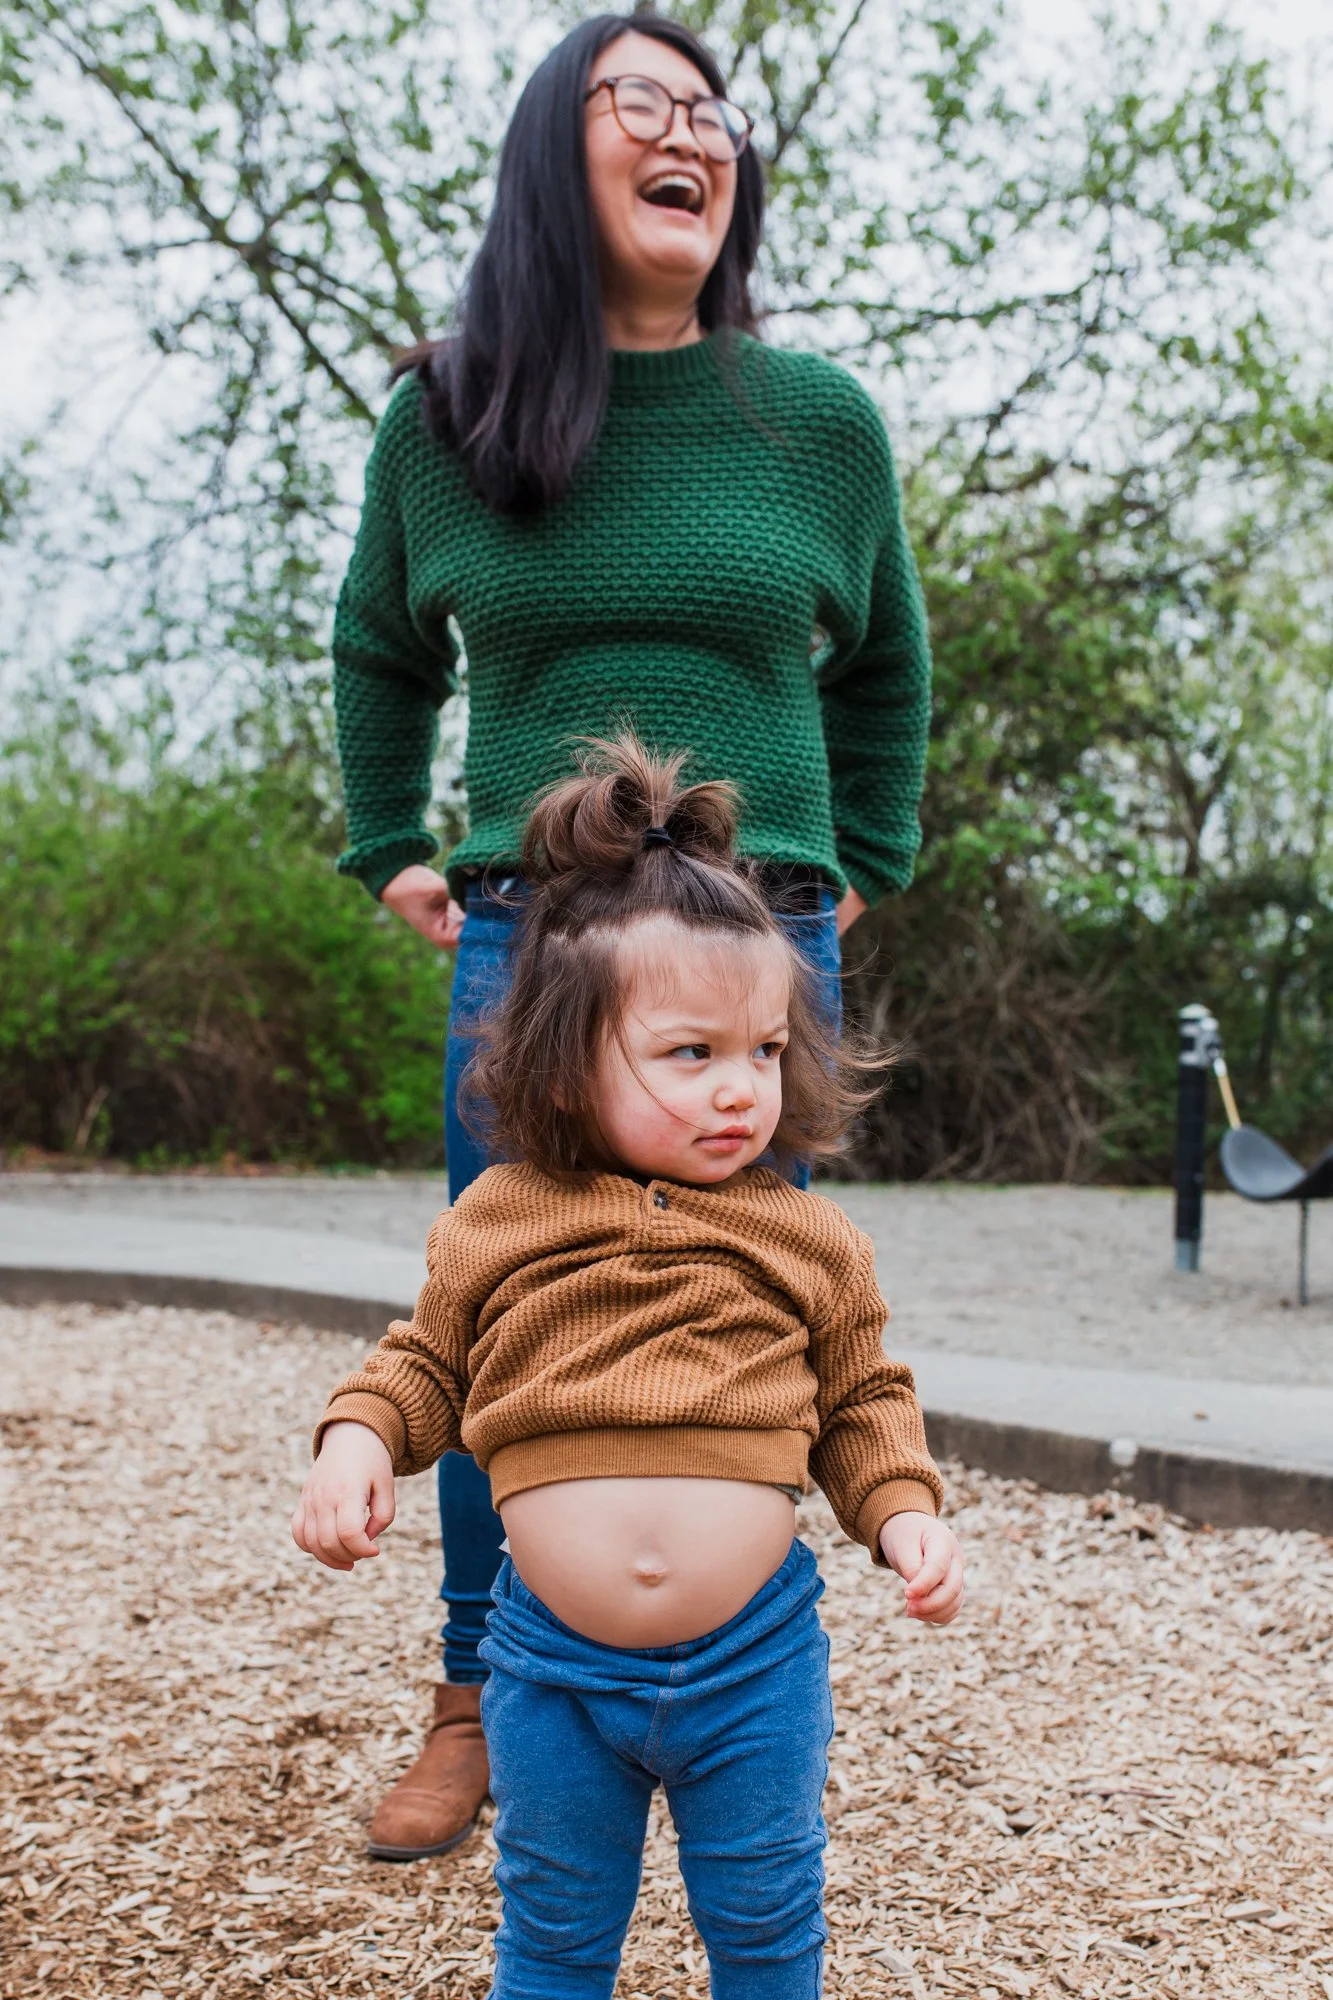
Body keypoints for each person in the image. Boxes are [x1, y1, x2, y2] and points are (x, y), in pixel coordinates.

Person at [331, 10, 934, 1857]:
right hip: (529, 938)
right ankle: (479, 1695)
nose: (692, 133)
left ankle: (744, 1671)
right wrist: (390, 847)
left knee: (758, 1300)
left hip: (760, 939)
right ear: (551, 153)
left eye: (709, 112)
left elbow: (889, 663)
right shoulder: (449, 415)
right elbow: (378, 650)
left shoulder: (812, 419)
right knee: (503, 1294)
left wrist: (856, 860)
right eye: (639, 103)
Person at [293, 738, 964, 2000]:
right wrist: (356, 1440)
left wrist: (904, 1509)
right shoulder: (505, 1216)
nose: (740, 1090)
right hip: (549, 1666)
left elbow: (864, 1397)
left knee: (766, 1925)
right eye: (690, 1053)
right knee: (552, 1933)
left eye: (764, 1050)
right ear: (565, 1055)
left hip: (753, 1664)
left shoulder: (803, 1233)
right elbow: (424, 1359)